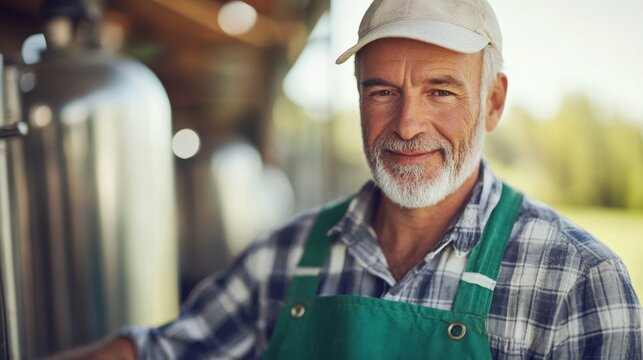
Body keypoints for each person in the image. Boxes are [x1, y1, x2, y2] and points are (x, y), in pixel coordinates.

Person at [58, 0, 642, 358]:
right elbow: (163, 352)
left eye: (440, 90)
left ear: (492, 102)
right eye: (382, 91)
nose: (407, 124)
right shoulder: (284, 258)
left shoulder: (579, 280)